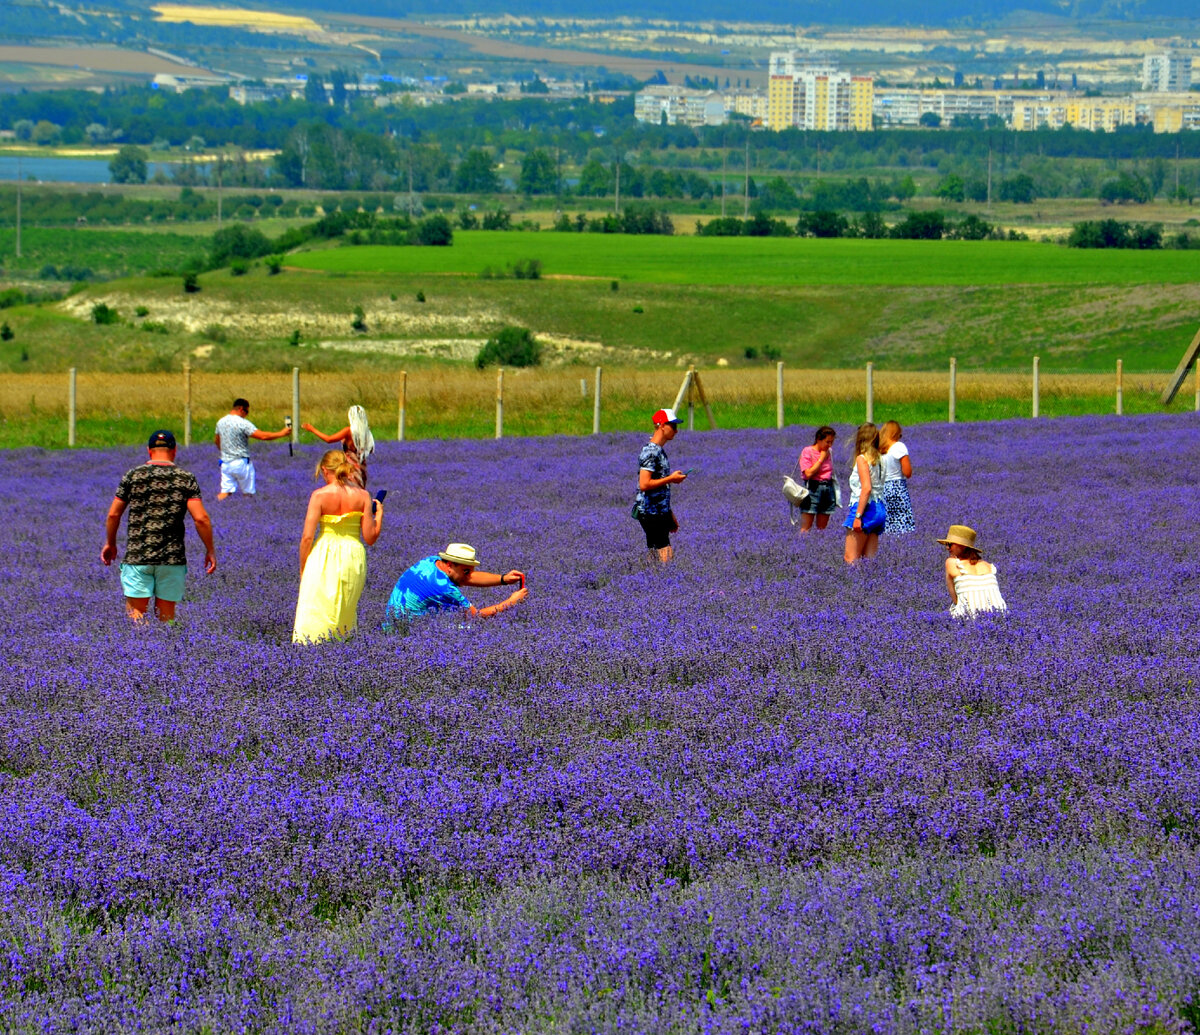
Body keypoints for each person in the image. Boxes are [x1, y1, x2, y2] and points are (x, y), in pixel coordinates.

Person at [100, 429, 216, 623]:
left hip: (138, 556)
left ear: (149, 450)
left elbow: (113, 514)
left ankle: (139, 650)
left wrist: (110, 543)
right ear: (175, 450)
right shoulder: (185, 478)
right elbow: (201, 518)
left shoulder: (132, 476)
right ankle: (165, 650)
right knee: (166, 619)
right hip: (172, 559)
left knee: (136, 616)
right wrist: (210, 550)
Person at [292, 450, 383, 644]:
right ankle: (342, 651)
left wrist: (303, 568)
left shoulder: (319, 496)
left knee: (315, 609)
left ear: (325, 470)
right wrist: (379, 516)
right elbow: (370, 537)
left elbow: (307, 537)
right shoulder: (363, 496)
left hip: (325, 552)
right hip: (353, 554)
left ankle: (310, 651)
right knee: (345, 609)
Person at [384, 543, 527, 624]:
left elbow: (467, 578)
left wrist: (503, 579)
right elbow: (475, 616)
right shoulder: (444, 588)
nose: (469, 575)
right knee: (468, 630)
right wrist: (511, 602)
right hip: (409, 633)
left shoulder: (431, 561)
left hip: (391, 624)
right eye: (466, 571)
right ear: (450, 565)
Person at [634, 407, 687, 564]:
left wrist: (669, 514)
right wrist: (671, 478)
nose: (676, 431)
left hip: (658, 510)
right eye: (673, 426)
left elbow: (659, 489)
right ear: (662, 425)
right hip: (650, 511)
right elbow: (644, 484)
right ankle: (662, 582)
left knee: (655, 552)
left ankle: (651, 581)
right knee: (665, 554)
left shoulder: (659, 451)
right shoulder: (651, 452)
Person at [213, 397, 291, 500]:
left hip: (225, 463)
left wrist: (224, 451)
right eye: (246, 411)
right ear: (241, 409)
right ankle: (246, 512)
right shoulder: (242, 423)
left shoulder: (221, 422)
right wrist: (281, 433)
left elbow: (217, 440)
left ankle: (212, 510)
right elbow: (262, 436)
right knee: (248, 494)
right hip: (241, 462)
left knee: (225, 493)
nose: (246, 414)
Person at [938, 525, 1007, 618]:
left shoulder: (952, 563)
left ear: (962, 546)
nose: (947, 548)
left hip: (971, 617)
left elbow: (955, 600)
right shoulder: (988, 565)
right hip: (1001, 615)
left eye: (950, 544)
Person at [842, 422, 886, 566]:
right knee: (868, 562)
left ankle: (851, 588)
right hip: (879, 509)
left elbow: (866, 488)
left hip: (866, 509)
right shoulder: (880, 460)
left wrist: (858, 516)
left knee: (851, 560)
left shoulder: (862, 459)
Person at [300, 405, 375, 485]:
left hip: (349, 465)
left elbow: (329, 439)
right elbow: (370, 450)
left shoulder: (348, 431)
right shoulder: (366, 432)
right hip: (361, 466)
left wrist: (312, 429)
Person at [795, 425, 838, 533]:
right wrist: (821, 458)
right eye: (827, 442)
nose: (829, 445)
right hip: (812, 489)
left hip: (828, 489)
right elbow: (808, 473)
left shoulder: (829, 451)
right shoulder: (807, 451)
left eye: (831, 442)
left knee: (822, 529)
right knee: (805, 528)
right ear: (819, 439)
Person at [879, 420, 915, 536]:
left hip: (883, 488)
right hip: (897, 488)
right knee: (902, 522)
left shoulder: (880, 449)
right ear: (895, 433)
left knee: (887, 523)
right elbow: (907, 472)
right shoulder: (899, 447)